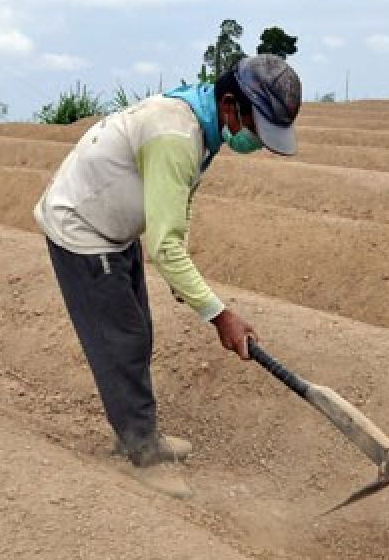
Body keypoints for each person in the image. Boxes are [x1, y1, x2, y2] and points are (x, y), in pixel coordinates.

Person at [34, 54, 302, 498]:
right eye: (256, 127)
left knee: (137, 330)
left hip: (115, 228)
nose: (257, 139)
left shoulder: (201, 122)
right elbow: (164, 246)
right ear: (231, 103)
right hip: (82, 228)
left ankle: (140, 433)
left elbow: (176, 210)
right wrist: (219, 315)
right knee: (122, 339)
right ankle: (142, 451)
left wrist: (183, 281)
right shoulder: (176, 135)